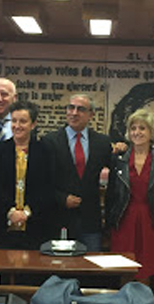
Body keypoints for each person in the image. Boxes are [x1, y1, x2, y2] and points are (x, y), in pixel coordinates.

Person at [105, 109, 154, 281]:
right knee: (123, 268)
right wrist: (109, 221)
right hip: (124, 218)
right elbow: (111, 193)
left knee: (147, 270)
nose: (137, 132)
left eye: (142, 128)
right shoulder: (118, 159)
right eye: (133, 128)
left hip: (151, 220)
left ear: (152, 132)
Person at [42, 94, 113, 250]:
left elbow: (114, 177)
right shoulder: (50, 141)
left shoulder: (102, 143)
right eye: (70, 107)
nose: (74, 113)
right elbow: (42, 181)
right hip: (59, 218)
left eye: (80, 109)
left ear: (91, 115)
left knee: (91, 269)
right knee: (59, 268)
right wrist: (61, 198)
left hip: (90, 220)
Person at [0, 100, 54, 249]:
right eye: (14, 121)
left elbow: (48, 187)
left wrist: (27, 212)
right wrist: (10, 212)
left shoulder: (45, 151)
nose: (17, 126)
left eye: (23, 121)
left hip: (36, 226)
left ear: (33, 124)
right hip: (1, 225)